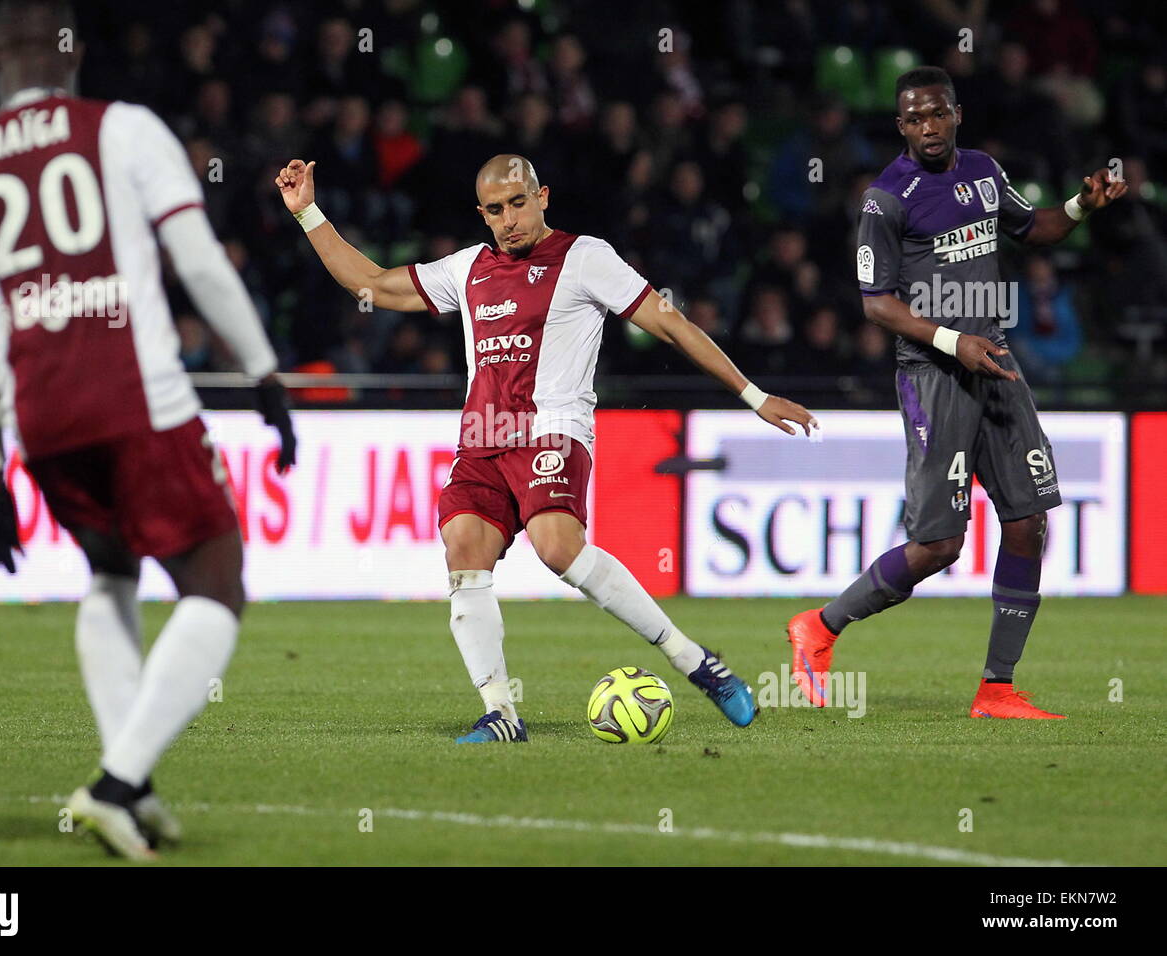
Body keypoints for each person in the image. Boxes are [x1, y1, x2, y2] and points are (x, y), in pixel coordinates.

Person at [276, 151, 818, 742]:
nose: (508, 219)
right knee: (463, 554)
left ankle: (695, 662)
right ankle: (503, 713)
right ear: (481, 214)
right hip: (482, 441)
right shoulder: (468, 269)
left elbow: (670, 323)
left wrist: (752, 394)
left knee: (557, 547)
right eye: (494, 210)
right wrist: (308, 214)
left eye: (517, 203)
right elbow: (371, 284)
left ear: (543, 198)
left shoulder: (586, 258)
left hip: (552, 430)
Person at [0, 0, 296, 858]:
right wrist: (262, 371)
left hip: (43, 417)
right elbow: (197, 257)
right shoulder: (122, 129)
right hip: (139, 398)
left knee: (109, 575)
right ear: (74, 55)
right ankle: (115, 783)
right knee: (216, 579)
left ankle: (134, 791)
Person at [786, 66, 1126, 719]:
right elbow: (877, 305)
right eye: (915, 118)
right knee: (940, 545)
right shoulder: (887, 198)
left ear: (956, 113)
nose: (929, 127)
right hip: (934, 373)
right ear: (901, 126)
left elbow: (1037, 229)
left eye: (938, 113)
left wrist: (1084, 204)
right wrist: (952, 341)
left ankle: (996, 689)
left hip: (993, 361)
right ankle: (820, 628)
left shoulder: (984, 172)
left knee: (1028, 523)